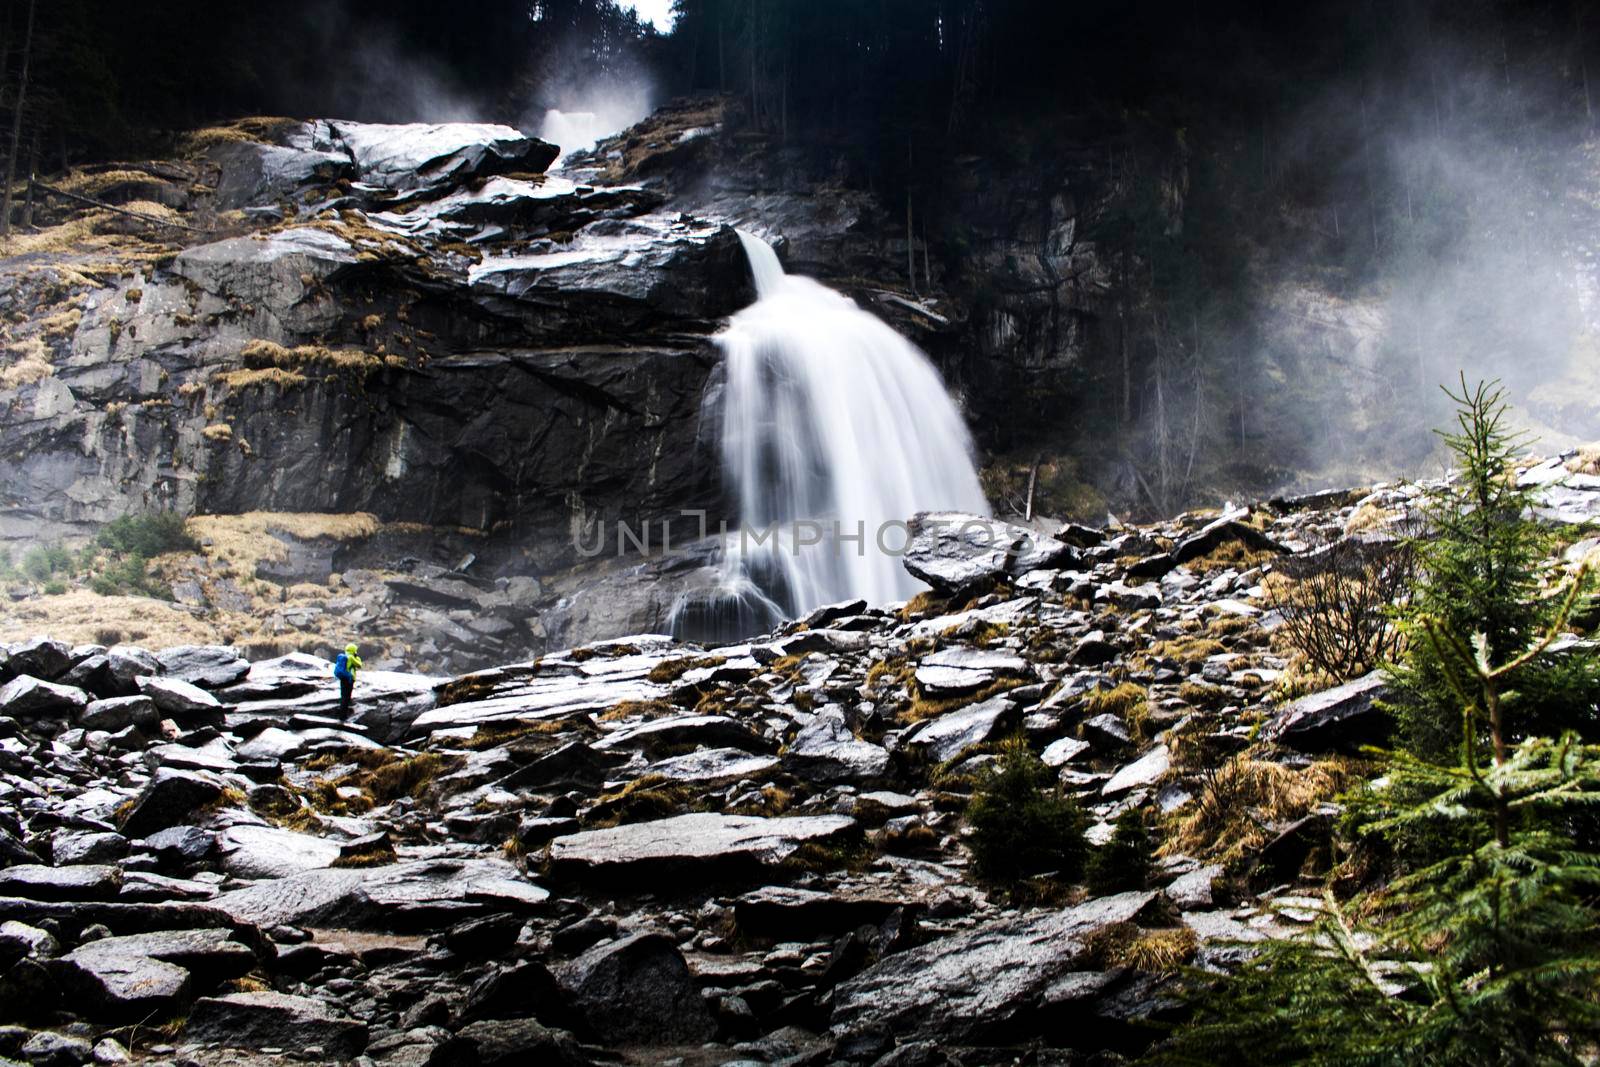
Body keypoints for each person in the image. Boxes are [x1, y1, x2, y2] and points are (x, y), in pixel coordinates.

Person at [333, 643, 362, 714]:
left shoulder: (343, 657)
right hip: (349, 679)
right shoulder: (351, 657)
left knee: (343, 696)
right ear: (353, 650)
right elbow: (359, 665)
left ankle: (341, 714)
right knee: (347, 697)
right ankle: (343, 716)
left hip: (342, 677)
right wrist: (356, 657)